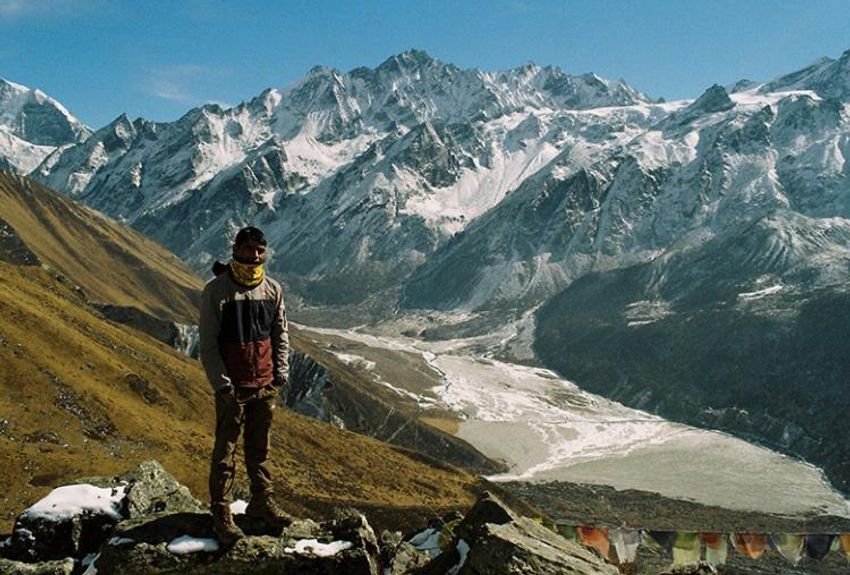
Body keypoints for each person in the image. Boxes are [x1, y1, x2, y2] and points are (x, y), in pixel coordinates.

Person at [199, 226, 291, 544]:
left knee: (259, 449)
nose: (254, 255)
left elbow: (280, 333)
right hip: (233, 388)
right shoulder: (217, 291)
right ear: (235, 249)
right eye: (249, 249)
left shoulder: (272, 289)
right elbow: (208, 344)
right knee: (225, 452)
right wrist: (222, 385)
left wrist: (280, 373)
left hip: (265, 384)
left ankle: (261, 502)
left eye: (260, 250)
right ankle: (221, 511)